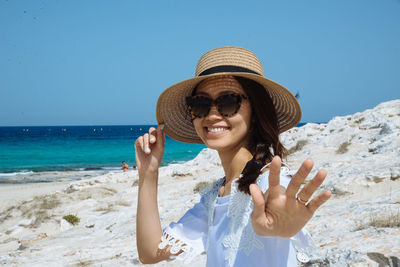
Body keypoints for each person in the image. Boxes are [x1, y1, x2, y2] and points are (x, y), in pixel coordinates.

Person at [135, 46, 331, 266]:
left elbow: (282, 213)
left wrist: (283, 228)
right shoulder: (215, 196)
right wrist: (149, 173)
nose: (211, 114)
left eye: (228, 102)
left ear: (255, 111)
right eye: (200, 104)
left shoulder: (271, 185)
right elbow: (151, 252)